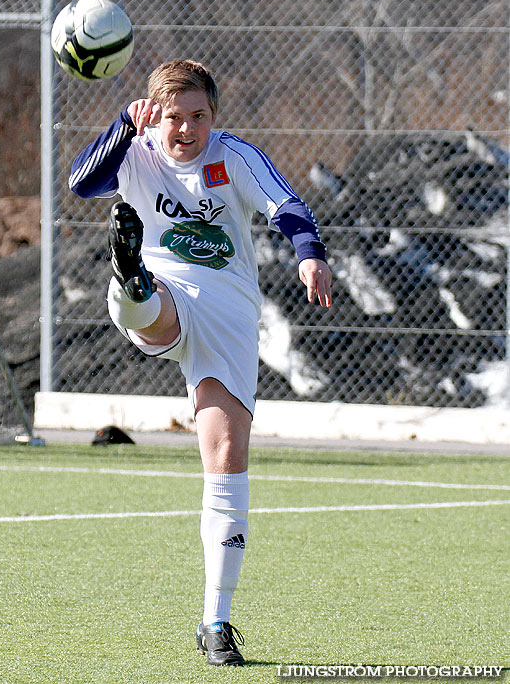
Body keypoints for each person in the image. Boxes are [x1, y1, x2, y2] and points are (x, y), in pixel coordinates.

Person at [69, 59, 332, 667]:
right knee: (148, 305)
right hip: (167, 287)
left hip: (227, 308)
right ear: (153, 114)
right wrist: (121, 127)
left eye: (198, 116)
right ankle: (131, 279)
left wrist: (309, 254)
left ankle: (216, 619)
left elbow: (286, 204)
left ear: (214, 116)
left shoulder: (233, 157)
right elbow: (83, 182)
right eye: (172, 116)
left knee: (225, 457)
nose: (185, 128)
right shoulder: (134, 151)